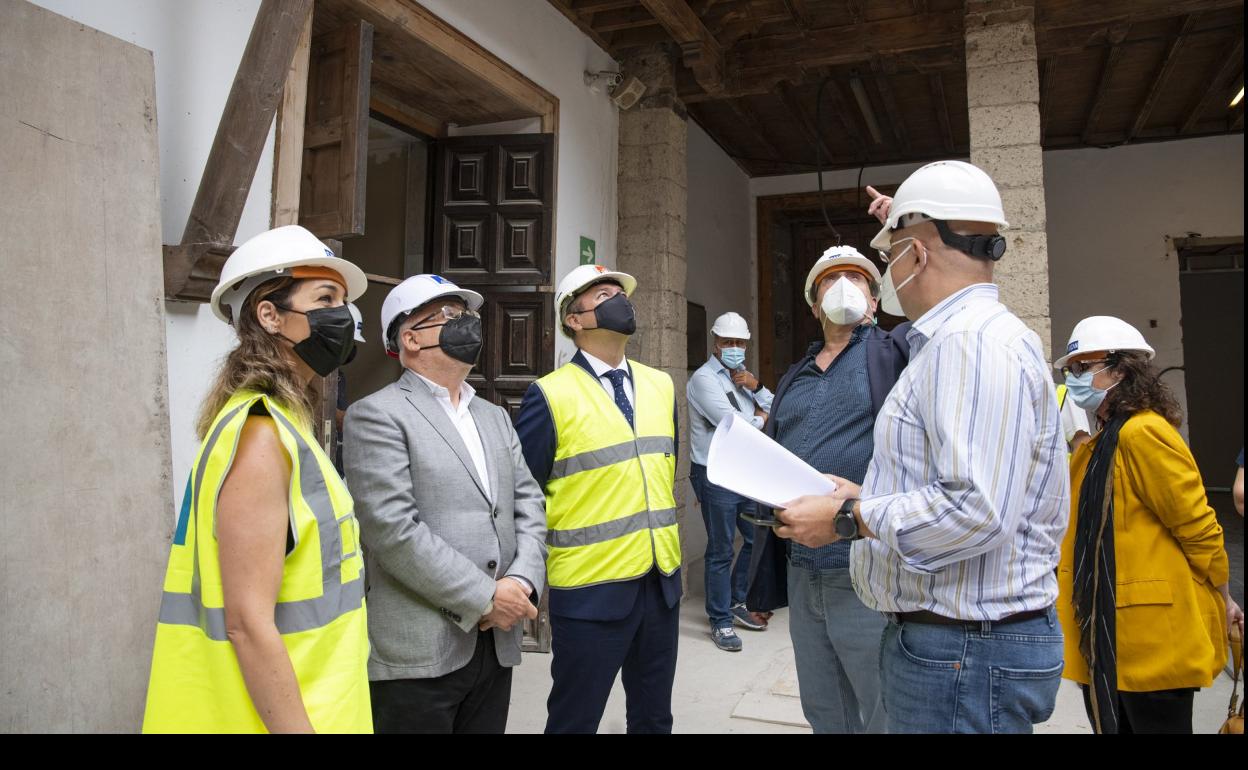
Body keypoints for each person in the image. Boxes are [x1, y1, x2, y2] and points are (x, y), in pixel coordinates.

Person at [775, 163, 1069, 734]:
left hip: (964, 650)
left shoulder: (969, 345)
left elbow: (975, 510)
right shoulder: (962, 340)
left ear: (916, 254)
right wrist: (866, 494)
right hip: (958, 643)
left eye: (887, 259)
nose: (888, 274)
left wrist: (850, 515)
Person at [143, 225, 372, 733]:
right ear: (269, 315)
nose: (343, 315)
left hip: (320, 699)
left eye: (343, 301)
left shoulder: (284, 422)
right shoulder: (262, 436)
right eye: (325, 298)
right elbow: (247, 623)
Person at [344, 274, 547, 734]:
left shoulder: (494, 416)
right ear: (410, 339)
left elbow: (529, 503)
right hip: (421, 652)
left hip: (496, 642)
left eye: (467, 314)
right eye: (449, 316)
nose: (466, 323)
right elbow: (393, 531)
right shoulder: (377, 414)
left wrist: (521, 582)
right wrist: (485, 597)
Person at [745, 245, 908, 733]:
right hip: (803, 567)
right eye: (829, 281)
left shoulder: (895, 355)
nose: (842, 288)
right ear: (814, 305)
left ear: (875, 300)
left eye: (855, 278)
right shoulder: (797, 374)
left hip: (862, 565)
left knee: (882, 709)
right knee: (824, 708)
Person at [1054, 315, 1243, 734]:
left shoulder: (1143, 433)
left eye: (1084, 367)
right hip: (1109, 634)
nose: (1075, 378)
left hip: (1150, 638)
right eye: (1071, 370)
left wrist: (1223, 596)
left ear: (1121, 369)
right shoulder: (1105, 439)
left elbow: (1197, 527)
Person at [515, 263, 681, 734]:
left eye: (621, 294)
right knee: (575, 720)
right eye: (604, 295)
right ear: (575, 319)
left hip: (660, 584)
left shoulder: (661, 385)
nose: (620, 302)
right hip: (590, 591)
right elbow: (524, 494)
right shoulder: (549, 395)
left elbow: (664, 469)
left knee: (654, 718)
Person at [687, 311, 774, 651]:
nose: (735, 347)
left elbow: (774, 405)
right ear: (716, 343)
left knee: (755, 537)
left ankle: (737, 600)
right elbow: (732, 423)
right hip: (717, 472)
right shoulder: (704, 380)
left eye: (740, 342)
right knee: (722, 549)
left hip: (744, 470)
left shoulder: (742, 377)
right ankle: (720, 621)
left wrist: (757, 387)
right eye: (728, 342)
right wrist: (761, 419)